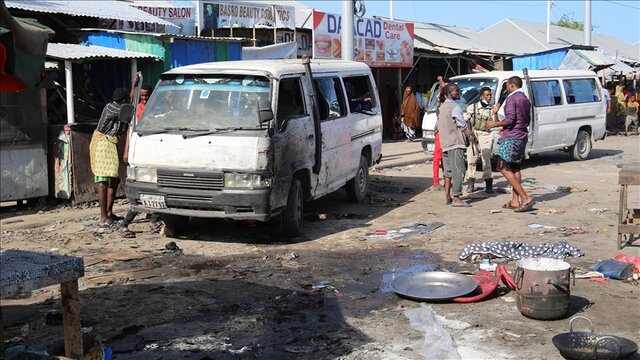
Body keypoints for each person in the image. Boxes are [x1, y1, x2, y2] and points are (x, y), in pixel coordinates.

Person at [120, 73, 162, 238]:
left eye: (147, 96)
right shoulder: (136, 110)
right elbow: (131, 132)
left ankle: (154, 219)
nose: (144, 99)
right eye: (142, 96)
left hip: (154, 152)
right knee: (141, 190)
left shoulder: (156, 110)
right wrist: (126, 151)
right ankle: (126, 223)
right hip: (141, 152)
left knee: (157, 189)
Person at [486, 76, 535, 213]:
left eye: (506, 85)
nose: (505, 87)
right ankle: (515, 200)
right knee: (515, 168)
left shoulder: (512, 99)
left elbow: (510, 119)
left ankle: (526, 198)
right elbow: (525, 119)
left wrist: (494, 124)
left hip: (512, 138)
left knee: (502, 167)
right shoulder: (525, 98)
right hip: (521, 135)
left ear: (512, 85)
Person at [89, 88, 130, 228]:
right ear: (124, 100)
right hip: (103, 142)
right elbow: (127, 112)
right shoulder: (111, 107)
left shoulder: (118, 107)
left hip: (111, 143)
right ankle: (103, 217)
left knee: (114, 179)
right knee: (103, 180)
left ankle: (108, 213)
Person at [437, 83, 474, 207]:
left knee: (448, 172)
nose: (459, 93)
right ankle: (456, 197)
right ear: (449, 93)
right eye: (456, 91)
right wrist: (468, 133)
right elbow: (461, 123)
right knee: (459, 170)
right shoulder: (454, 106)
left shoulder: (442, 106)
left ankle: (447, 196)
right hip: (455, 143)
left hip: (445, 143)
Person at [464, 86, 494, 194]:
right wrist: (467, 130)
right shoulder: (473, 107)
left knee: (486, 160)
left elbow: (496, 122)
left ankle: (488, 183)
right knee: (471, 160)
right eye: (487, 95)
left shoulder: (492, 109)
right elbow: (464, 120)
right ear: (481, 96)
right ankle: (471, 182)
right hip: (474, 135)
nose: (489, 97)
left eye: (490, 95)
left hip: (486, 135)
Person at [431, 76, 447, 190]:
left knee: (446, 158)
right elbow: (443, 88)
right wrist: (441, 80)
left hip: (449, 132)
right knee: (438, 157)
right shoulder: (441, 100)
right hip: (441, 132)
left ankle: (447, 179)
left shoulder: (453, 102)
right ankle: (436, 182)